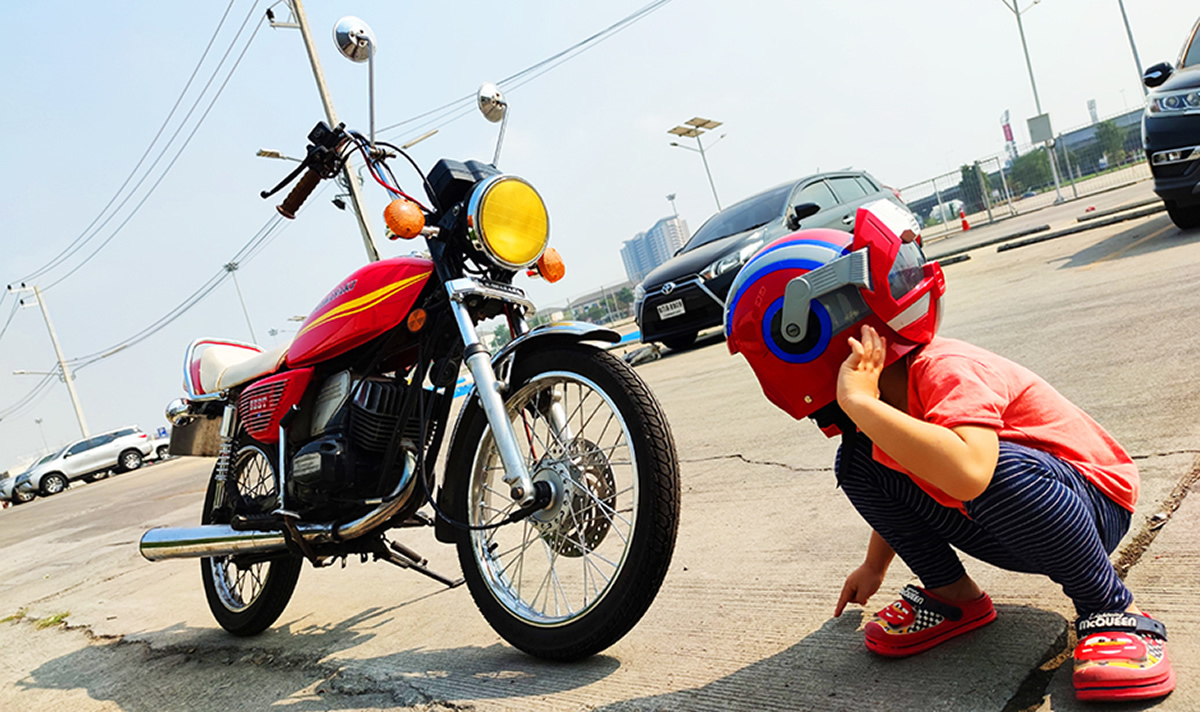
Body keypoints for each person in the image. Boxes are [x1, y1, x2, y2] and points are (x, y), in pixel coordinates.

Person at [723, 200, 1174, 702]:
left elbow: (970, 474)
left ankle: (1110, 606)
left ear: (802, 337)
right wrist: (875, 567)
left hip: (1091, 508)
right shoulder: (881, 406)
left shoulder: (944, 368)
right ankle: (951, 593)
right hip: (1013, 523)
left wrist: (856, 399)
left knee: (990, 469)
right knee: (858, 460)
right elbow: (907, 471)